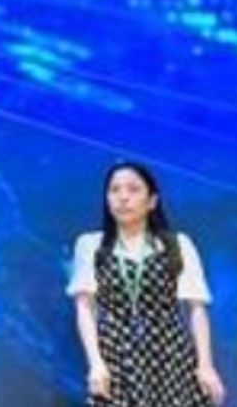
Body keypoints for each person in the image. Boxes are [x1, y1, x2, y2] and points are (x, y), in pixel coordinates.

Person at [68, 161, 226, 406]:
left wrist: (205, 366)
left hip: (170, 357)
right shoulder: (90, 245)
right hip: (115, 357)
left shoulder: (178, 244)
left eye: (133, 189)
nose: (123, 198)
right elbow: (84, 308)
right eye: (114, 190)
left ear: (152, 201)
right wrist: (96, 364)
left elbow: (197, 308)